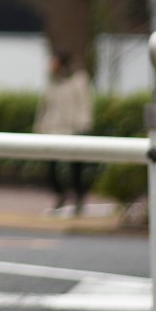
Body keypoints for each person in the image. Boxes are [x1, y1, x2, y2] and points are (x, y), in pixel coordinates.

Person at [37, 50, 95, 216]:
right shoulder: (52, 83)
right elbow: (43, 107)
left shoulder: (78, 80)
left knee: (76, 168)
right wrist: (40, 127)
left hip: (73, 130)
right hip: (52, 130)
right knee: (51, 167)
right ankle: (60, 195)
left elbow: (85, 104)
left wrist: (83, 126)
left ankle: (79, 198)